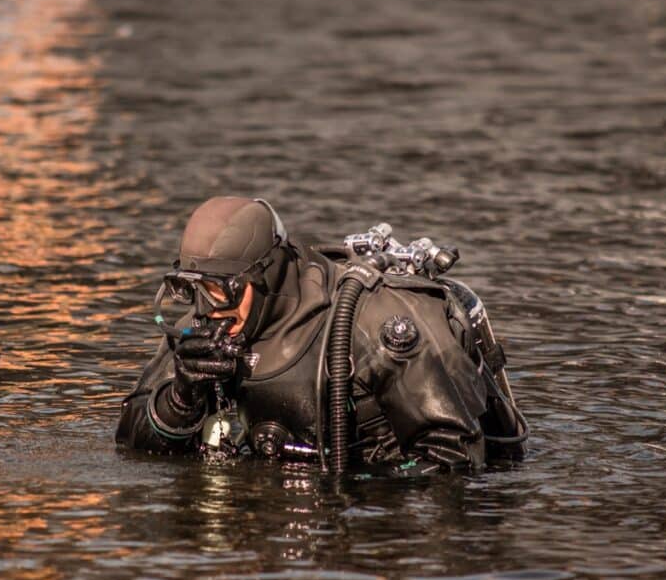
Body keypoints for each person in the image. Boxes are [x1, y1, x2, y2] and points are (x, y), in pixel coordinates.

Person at [116, 196, 527, 474]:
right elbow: (131, 445)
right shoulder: (204, 326)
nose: (207, 307)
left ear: (266, 274)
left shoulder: (372, 322)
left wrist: (356, 499)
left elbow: (458, 459)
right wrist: (181, 398)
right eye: (191, 288)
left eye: (221, 288)